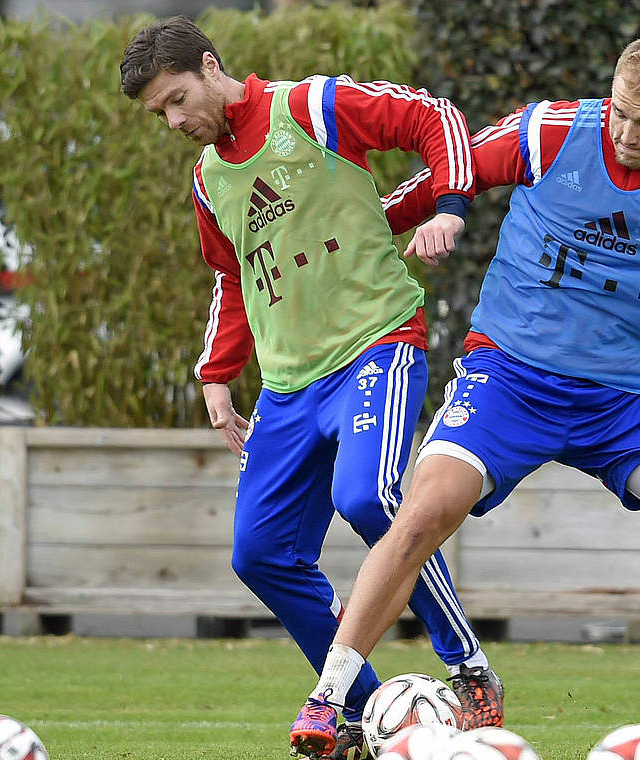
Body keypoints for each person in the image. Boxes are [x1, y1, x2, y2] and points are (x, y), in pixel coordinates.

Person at [288, 32, 640, 758]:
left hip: (624, 403)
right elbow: (452, 169)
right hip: (509, 379)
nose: (628, 133)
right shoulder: (551, 131)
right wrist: (373, 225)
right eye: (619, 113)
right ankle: (327, 698)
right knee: (420, 512)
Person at [119, 17, 504, 759]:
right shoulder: (208, 179)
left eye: (176, 100)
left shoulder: (313, 107)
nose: (172, 122)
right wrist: (217, 375)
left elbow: (434, 117)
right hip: (288, 389)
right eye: (158, 113)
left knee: (368, 498)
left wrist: (451, 204)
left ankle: (470, 670)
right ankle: (365, 711)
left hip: (375, 347)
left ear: (209, 66)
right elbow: (234, 276)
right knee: (259, 554)